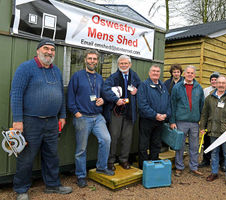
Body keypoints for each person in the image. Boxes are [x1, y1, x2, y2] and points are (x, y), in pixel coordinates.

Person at [10, 39, 72, 200]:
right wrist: (17, 121)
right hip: (31, 122)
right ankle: (21, 189)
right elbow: (16, 95)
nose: (49, 52)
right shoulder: (25, 68)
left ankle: (53, 185)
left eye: (52, 50)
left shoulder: (56, 71)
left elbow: (61, 95)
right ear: (38, 51)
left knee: (52, 155)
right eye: (46, 48)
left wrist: (63, 115)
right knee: (26, 157)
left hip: (52, 122)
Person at [67, 49, 113, 188]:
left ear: (97, 61)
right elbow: (70, 97)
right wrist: (76, 113)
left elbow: (103, 95)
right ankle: (81, 175)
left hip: (97, 117)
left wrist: (102, 101)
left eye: (94, 59)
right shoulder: (77, 76)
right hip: (83, 117)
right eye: (90, 58)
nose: (92, 61)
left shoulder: (99, 78)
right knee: (81, 149)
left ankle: (101, 167)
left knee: (106, 139)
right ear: (85, 60)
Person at [200, 75, 226, 187]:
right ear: (215, 84)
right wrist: (202, 127)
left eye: (223, 83)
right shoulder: (209, 98)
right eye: (219, 83)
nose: (221, 85)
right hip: (212, 130)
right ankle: (214, 173)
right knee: (214, 153)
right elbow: (204, 114)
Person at [103, 55, 141, 171]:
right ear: (118, 64)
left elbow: (141, 88)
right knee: (113, 137)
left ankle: (124, 160)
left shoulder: (134, 76)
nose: (124, 65)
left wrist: (137, 91)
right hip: (116, 112)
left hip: (130, 112)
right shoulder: (113, 77)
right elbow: (105, 89)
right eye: (121, 63)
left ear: (130, 64)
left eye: (126, 63)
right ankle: (110, 161)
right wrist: (116, 100)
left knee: (127, 137)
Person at [169, 65, 205, 177]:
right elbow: (172, 105)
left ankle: (194, 167)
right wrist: (172, 121)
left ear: (194, 75)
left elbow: (202, 106)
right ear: (184, 74)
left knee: (194, 146)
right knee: (180, 145)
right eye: (188, 72)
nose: (190, 75)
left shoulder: (198, 87)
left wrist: (201, 122)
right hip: (181, 121)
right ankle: (179, 167)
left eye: (192, 73)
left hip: (194, 122)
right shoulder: (177, 87)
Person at [137, 65, 171, 169]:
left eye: (157, 71)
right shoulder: (144, 85)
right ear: (149, 73)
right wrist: (155, 115)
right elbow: (142, 104)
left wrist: (166, 114)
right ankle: (143, 167)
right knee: (144, 144)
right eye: (153, 71)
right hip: (147, 120)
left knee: (156, 144)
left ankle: (154, 164)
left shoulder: (163, 86)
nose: (155, 73)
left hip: (160, 120)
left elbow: (169, 103)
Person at [199, 72, 225, 172]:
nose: (214, 81)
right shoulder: (205, 91)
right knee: (207, 141)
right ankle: (206, 160)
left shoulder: (223, 91)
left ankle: (221, 162)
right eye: (212, 80)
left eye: (216, 80)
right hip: (208, 120)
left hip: (219, 122)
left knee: (221, 142)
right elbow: (203, 106)